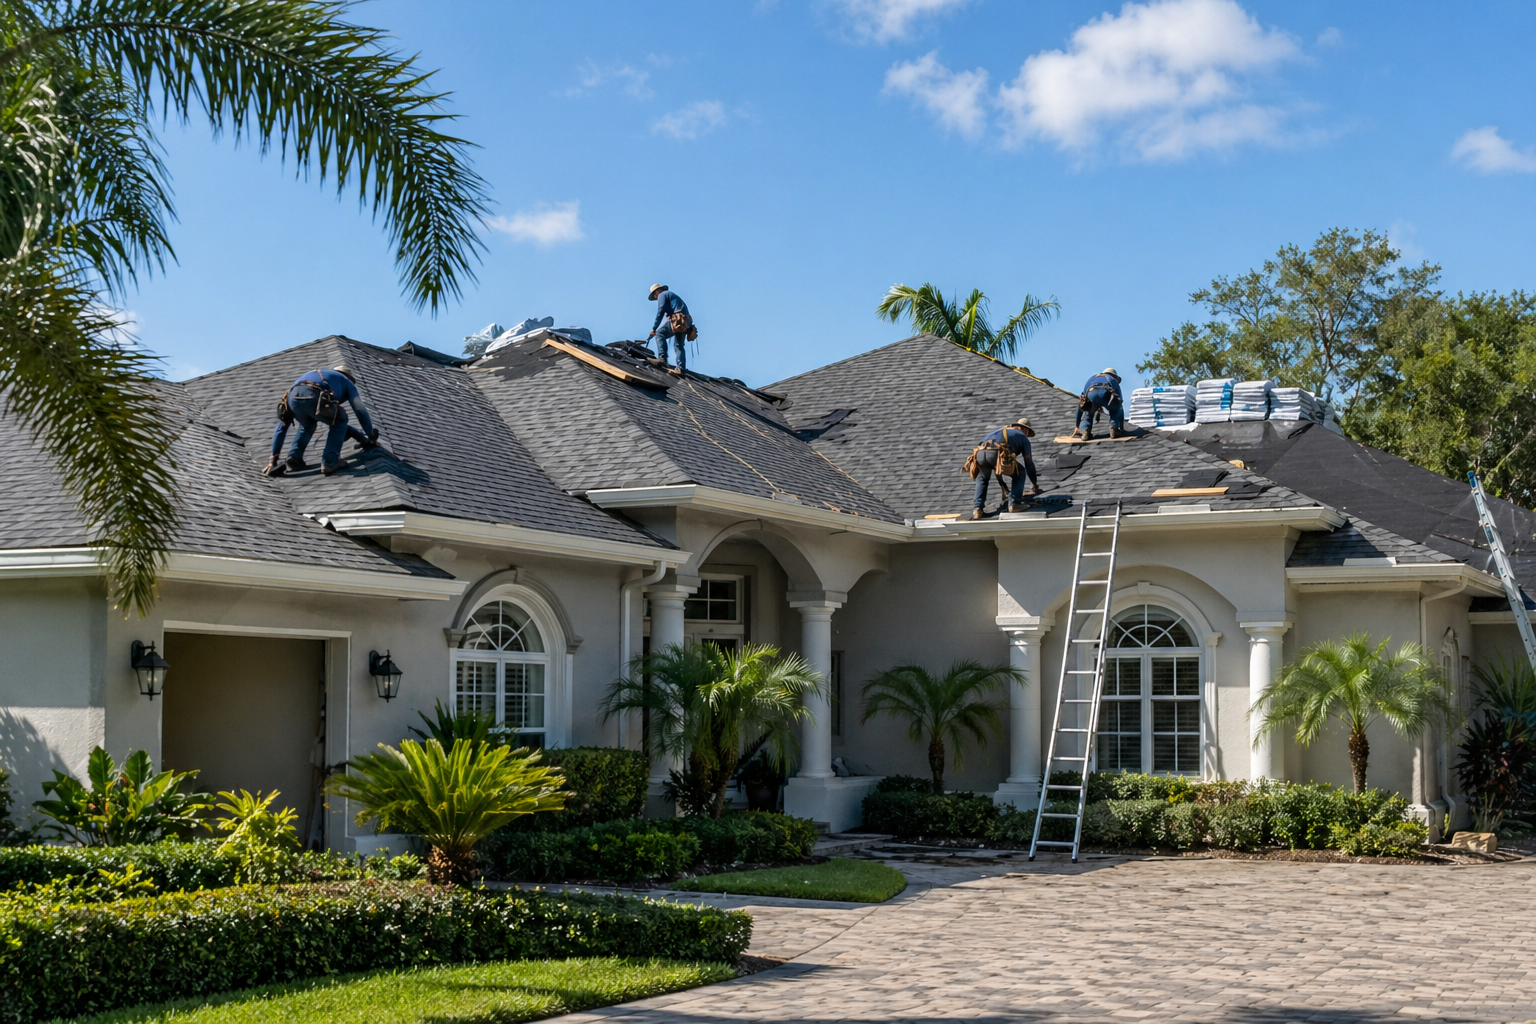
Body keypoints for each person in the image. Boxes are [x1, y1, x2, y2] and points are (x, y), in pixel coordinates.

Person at [264, 365, 377, 477]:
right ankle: (330, 461)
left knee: (307, 425)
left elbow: (282, 427)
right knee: (340, 420)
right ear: (349, 377)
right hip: (314, 393)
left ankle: (295, 457)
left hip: (293, 396)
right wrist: (370, 434)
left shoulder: (319, 375)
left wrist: (273, 459)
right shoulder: (347, 381)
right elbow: (359, 409)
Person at [969, 416, 1039, 520]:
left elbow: (998, 470)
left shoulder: (1001, 431)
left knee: (982, 478)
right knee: (1021, 472)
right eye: (1028, 433)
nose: (1027, 436)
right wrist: (1034, 483)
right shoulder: (1023, 437)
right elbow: (1028, 462)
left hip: (980, 453)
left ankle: (977, 510)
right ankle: (1015, 503)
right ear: (1026, 430)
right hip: (995, 453)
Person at [647, 283, 692, 373]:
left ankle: (662, 358)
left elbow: (661, 311)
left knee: (660, 333)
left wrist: (654, 329)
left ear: (657, 292)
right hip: (686, 321)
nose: (656, 298)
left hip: (679, 319)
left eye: (655, 296)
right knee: (679, 345)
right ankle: (681, 369)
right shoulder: (670, 296)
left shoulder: (662, 295)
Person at [1073, 367, 1126, 440]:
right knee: (1115, 410)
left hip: (1091, 393)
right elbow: (1120, 403)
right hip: (1107, 394)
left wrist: (1077, 426)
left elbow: (1081, 404)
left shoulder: (1092, 378)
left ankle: (1085, 430)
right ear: (1115, 376)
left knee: (1088, 413)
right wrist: (1122, 428)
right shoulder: (1113, 380)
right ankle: (1114, 428)